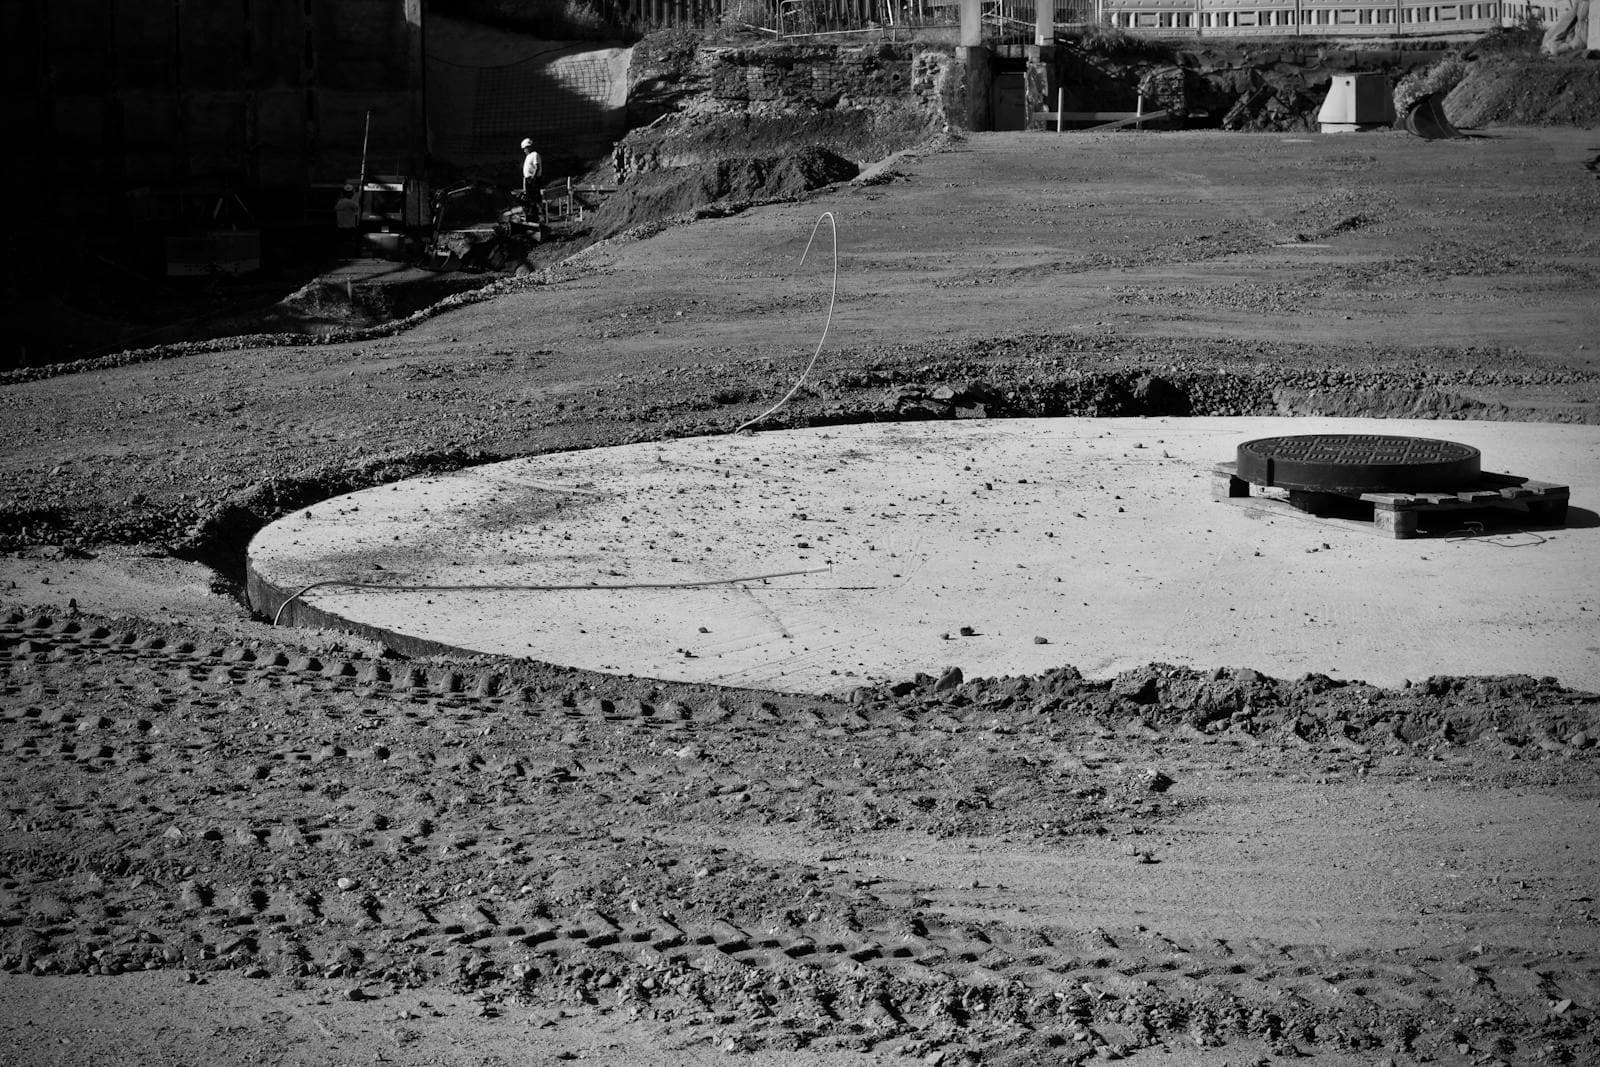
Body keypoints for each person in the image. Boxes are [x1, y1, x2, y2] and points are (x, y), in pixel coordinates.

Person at [520, 137, 545, 222]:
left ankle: (538, 215)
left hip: (533, 180)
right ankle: (533, 215)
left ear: (528, 147)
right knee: (530, 198)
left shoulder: (534, 154)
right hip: (529, 180)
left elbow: (537, 167)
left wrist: (533, 178)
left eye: (524, 149)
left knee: (535, 198)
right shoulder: (528, 156)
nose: (524, 150)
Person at [334, 184, 360, 254]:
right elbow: (357, 209)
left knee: (342, 243)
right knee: (349, 243)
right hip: (349, 227)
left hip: (340, 227)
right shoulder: (351, 203)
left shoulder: (339, 202)